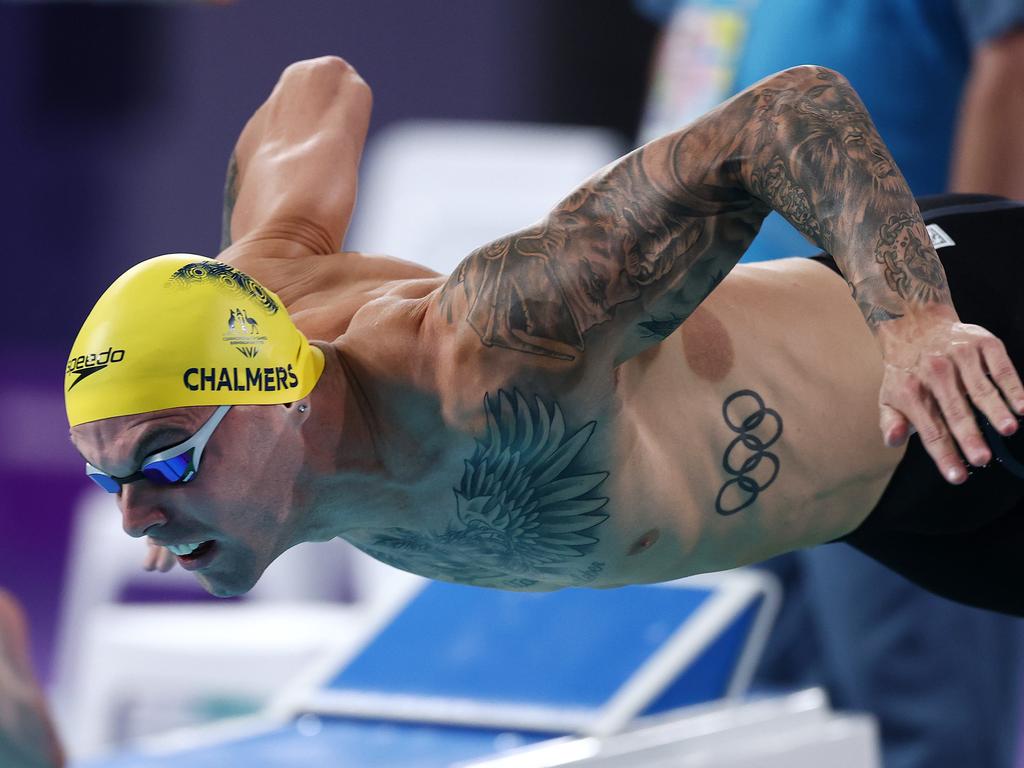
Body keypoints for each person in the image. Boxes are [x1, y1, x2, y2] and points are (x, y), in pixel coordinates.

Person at [636, 5, 1024, 766]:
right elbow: (695, 59)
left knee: (914, 713)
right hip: (712, 352)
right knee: (764, 716)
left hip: (890, 362)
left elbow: (1011, 54)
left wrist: (957, 297)